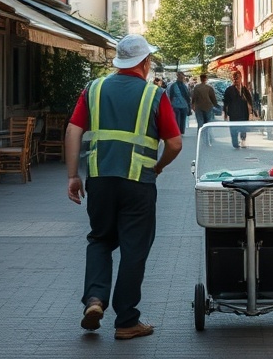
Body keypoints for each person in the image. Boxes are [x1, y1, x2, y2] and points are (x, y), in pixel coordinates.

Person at [65, 34, 183, 340]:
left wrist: (72, 176)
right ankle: (127, 320)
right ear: (144, 63)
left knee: (100, 239)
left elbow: (73, 129)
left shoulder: (94, 88)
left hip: (100, 180)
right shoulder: (153, 95)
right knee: (134, 249)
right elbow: (174, 143)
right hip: (138, 184)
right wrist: (159, 166)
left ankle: (94, 300)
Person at [223, 69, 254, 148]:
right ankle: (235, 142)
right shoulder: (229, 90)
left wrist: (252, 111)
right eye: (234, 78)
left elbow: (250, 100)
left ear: (241, 78)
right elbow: (225, 102)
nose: (236, 80)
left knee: (243, 128)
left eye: (237, 78)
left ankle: (243, 141)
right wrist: (225, 114)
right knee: (233, 129)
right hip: (233, 113)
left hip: (243, 112)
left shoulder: (244, 89)